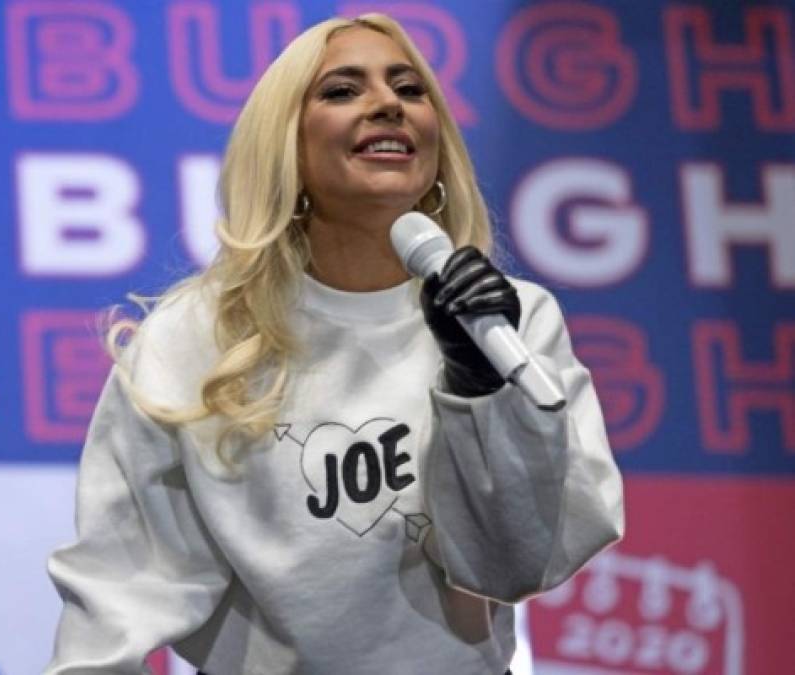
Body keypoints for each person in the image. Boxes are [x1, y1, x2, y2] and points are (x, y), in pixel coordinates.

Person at [45, 13, 623, 675]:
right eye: (343, 90)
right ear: (285, 147)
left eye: (409, 89)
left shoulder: (509, 321)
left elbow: (516, 566)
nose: (387, 104)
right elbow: (125, 582)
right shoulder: (195, 336)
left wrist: (478, 388)